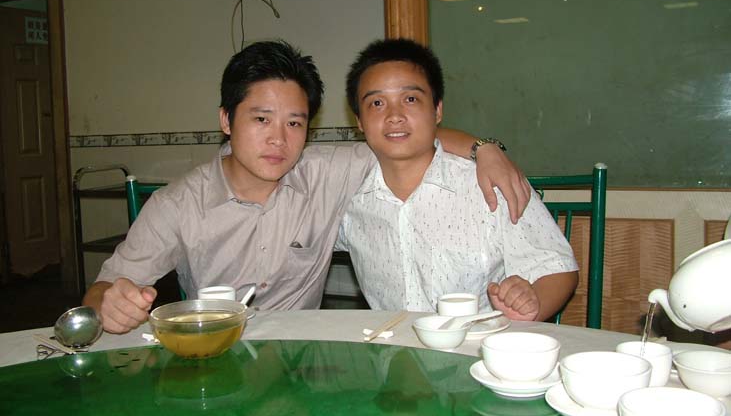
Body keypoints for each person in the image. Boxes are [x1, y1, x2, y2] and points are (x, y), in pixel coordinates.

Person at [83, 40, 530, 333]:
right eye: (261, 119)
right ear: (226, 120)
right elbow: (100, 293)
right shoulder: (177, 205)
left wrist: (484, 148)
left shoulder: (325, 172)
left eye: (294, 123)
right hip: (219, 358)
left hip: (302, 366)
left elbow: (405, 137)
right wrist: (111, 304)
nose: (278, 139)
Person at [337, 38, 578, 321]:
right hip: (389, 345)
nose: (394, 116)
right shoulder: (345, 197)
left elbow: (557, 268)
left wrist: (530, 303)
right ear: (359, 121)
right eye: (377, 103)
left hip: (477, 345)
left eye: (410, 99)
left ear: (437, 110)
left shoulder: (490, 184)